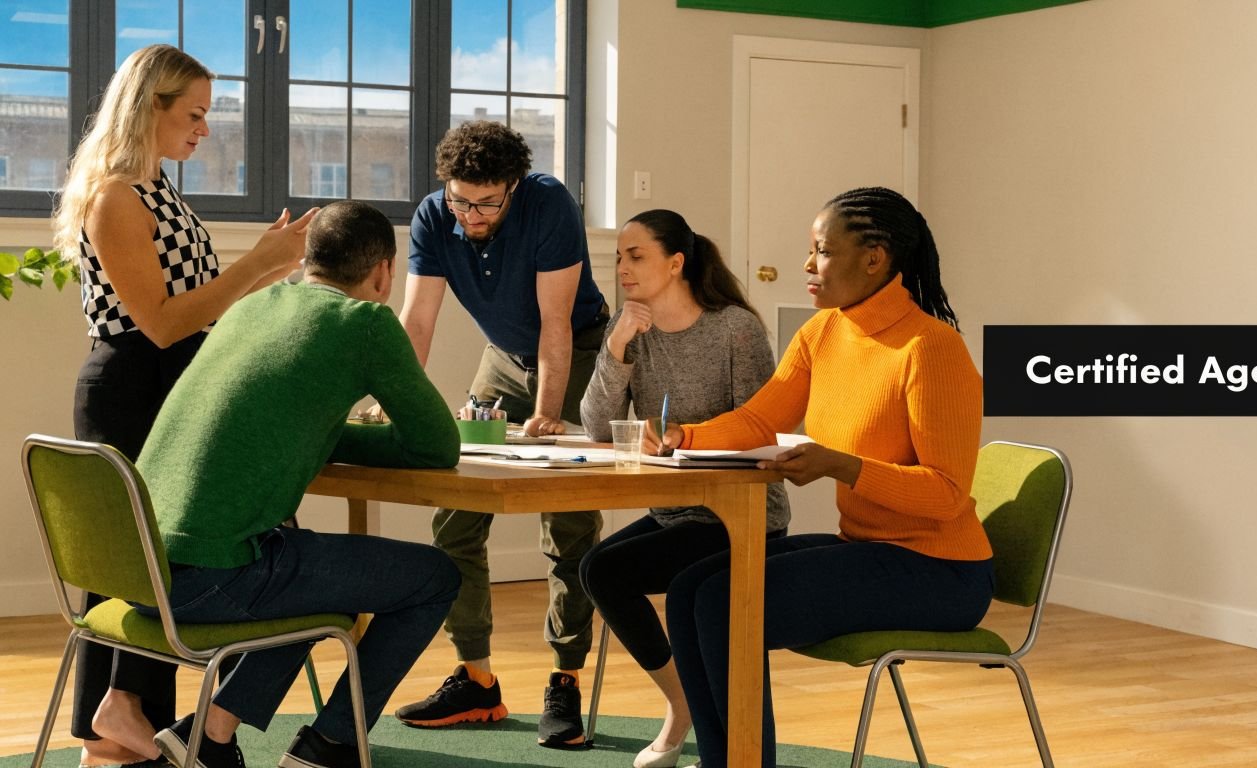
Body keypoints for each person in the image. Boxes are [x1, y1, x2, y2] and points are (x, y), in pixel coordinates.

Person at [654, 187, 995, 768]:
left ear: (874, 258)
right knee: (690, 589)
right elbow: (760, 420)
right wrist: (681, 436)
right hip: (867, 548)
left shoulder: (931, 349)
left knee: (724, 604)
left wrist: (841, 465)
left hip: (941, 572)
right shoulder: (823, 334)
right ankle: (723, 760)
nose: (808, 264)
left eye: (823, 251)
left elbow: (945, 494)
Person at [50, 43, 317, 767]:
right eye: (194, 113)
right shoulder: (115, 196)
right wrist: (256, 264)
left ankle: (120, 723)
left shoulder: (158, 187)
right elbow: (161, 324)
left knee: (163, 555)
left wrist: (268, 273)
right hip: (133, 389)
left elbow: (196, 311)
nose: (205, 128)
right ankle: (120, 711)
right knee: (139, 559)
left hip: (170, 383)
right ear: (149, 108)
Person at [134, 200, 462, 768]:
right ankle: (329, 746)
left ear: (308, 260)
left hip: (137, 569)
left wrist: (325, 434)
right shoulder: (365, 323)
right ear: (384, 272)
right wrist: (365, 440)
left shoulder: (251, 306)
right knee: (434, 577)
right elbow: (438, 446)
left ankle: (209, 736)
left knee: (307, 565)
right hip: (208, 579)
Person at [390, 120, 608, 749]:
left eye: (486, 203)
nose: (471, 215)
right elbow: (418, 320)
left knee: (567, 519)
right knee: (456, 512)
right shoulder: (434, 216)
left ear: (513, 186)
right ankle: (476, 678)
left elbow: (556, 321)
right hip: (504, 358)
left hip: (577, 350)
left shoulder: (549, 203)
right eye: (460, 200)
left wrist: (547, 415)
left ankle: (565, 678)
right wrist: (393, 401)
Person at [577, 210, 791, 768]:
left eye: (636, 256)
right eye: (619, 257)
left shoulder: (735, 330)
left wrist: (685, 439)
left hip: (738, 513)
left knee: (648, 582)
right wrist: (617, 347)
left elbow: (761, 427)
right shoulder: (629, 328)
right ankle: (683, 701)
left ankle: (693, 717)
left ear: (676, 263)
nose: (622, 268)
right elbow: (597, 427)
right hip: (676, 512)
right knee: (599, 570)